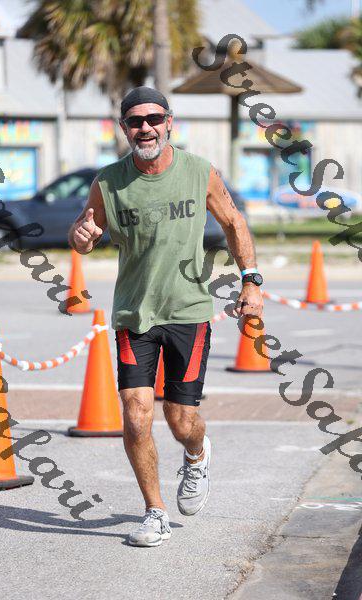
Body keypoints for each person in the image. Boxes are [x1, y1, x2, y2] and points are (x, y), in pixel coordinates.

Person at [68, 86, 263, 547]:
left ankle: (196, 455)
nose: (146, 128)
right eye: (135, 121)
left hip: (188, 311)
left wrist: (251, 281)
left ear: (169, 122)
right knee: (136, 416)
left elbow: (233, 222)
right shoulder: (108, 182)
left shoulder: (198, 171)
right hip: (133, 313)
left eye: (154, 119)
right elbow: (84, 235)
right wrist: (81, 236)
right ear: (124, 128)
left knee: (180, 420)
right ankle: (154, 512)